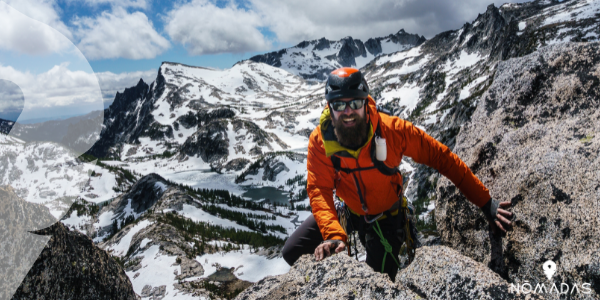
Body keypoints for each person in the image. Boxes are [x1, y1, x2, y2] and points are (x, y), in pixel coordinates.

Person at [281, 67, 513, 281]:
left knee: (375, 285)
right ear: (329, 108)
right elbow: (319, 189)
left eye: (355, 103)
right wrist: (333, 234)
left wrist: (485, 202)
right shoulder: (320, 141)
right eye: (339, 105)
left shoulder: (392, 131)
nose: (348, 111)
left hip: (387, 218)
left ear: (365, 102)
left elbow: (442, 158)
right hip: (349, 211)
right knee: (293, 251)